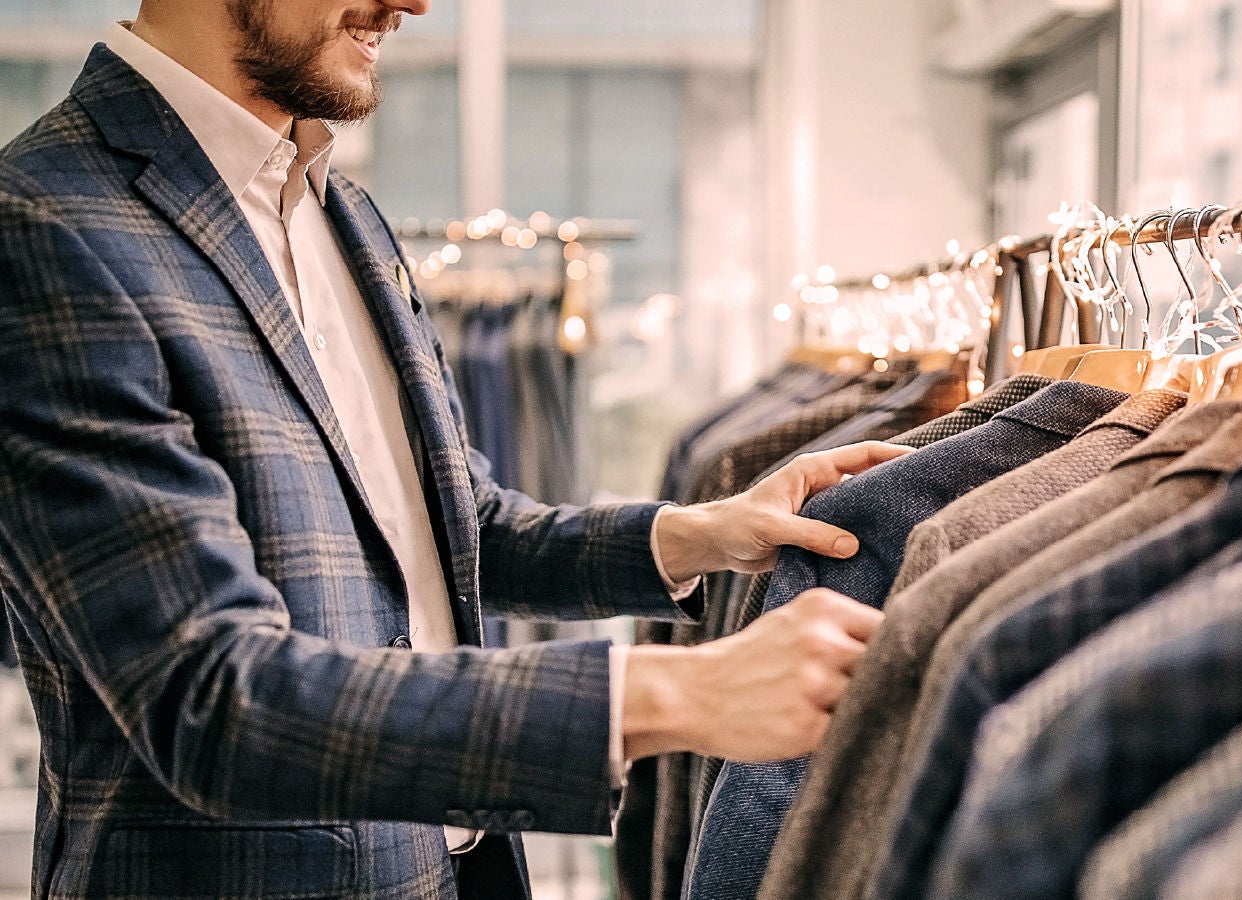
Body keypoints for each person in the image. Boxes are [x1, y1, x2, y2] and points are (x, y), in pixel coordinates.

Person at [0, 1, 905, 896]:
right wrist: (677, 694)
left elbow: (456, 532)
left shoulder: (339, 212)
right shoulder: (45, 224)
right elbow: (207, 697)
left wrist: (697, 534)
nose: (412, 3)